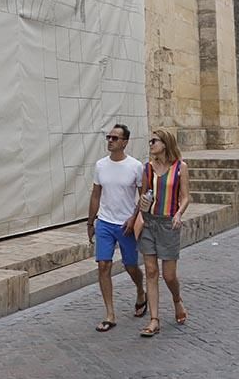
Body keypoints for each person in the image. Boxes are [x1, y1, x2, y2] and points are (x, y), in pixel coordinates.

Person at [87, 124, 147, 331]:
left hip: (125, 224)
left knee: (131, 266)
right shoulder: (100, 165)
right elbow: (96, 194)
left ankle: (140, 290)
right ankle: (110, 314)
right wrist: (90, 222)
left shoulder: (135, 166)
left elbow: (144, 196)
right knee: (103, 265)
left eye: (114, 138)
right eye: (108, 137)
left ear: (125, 142)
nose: (110, 141)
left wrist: (134, 217)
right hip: (104, 222)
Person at [135, 129, 190, 337]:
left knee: (168, 275)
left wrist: (178, 213)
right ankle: (154, 319)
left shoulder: (180, 168)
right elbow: (144, 195)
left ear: (165, 144)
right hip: (149, 223)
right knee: (150, 271)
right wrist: (142, 202)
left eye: (154, 141)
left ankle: (177, 300)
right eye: (150, 141)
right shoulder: (147, 169)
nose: (150, 145)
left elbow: (185, 196)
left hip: (169, 224)